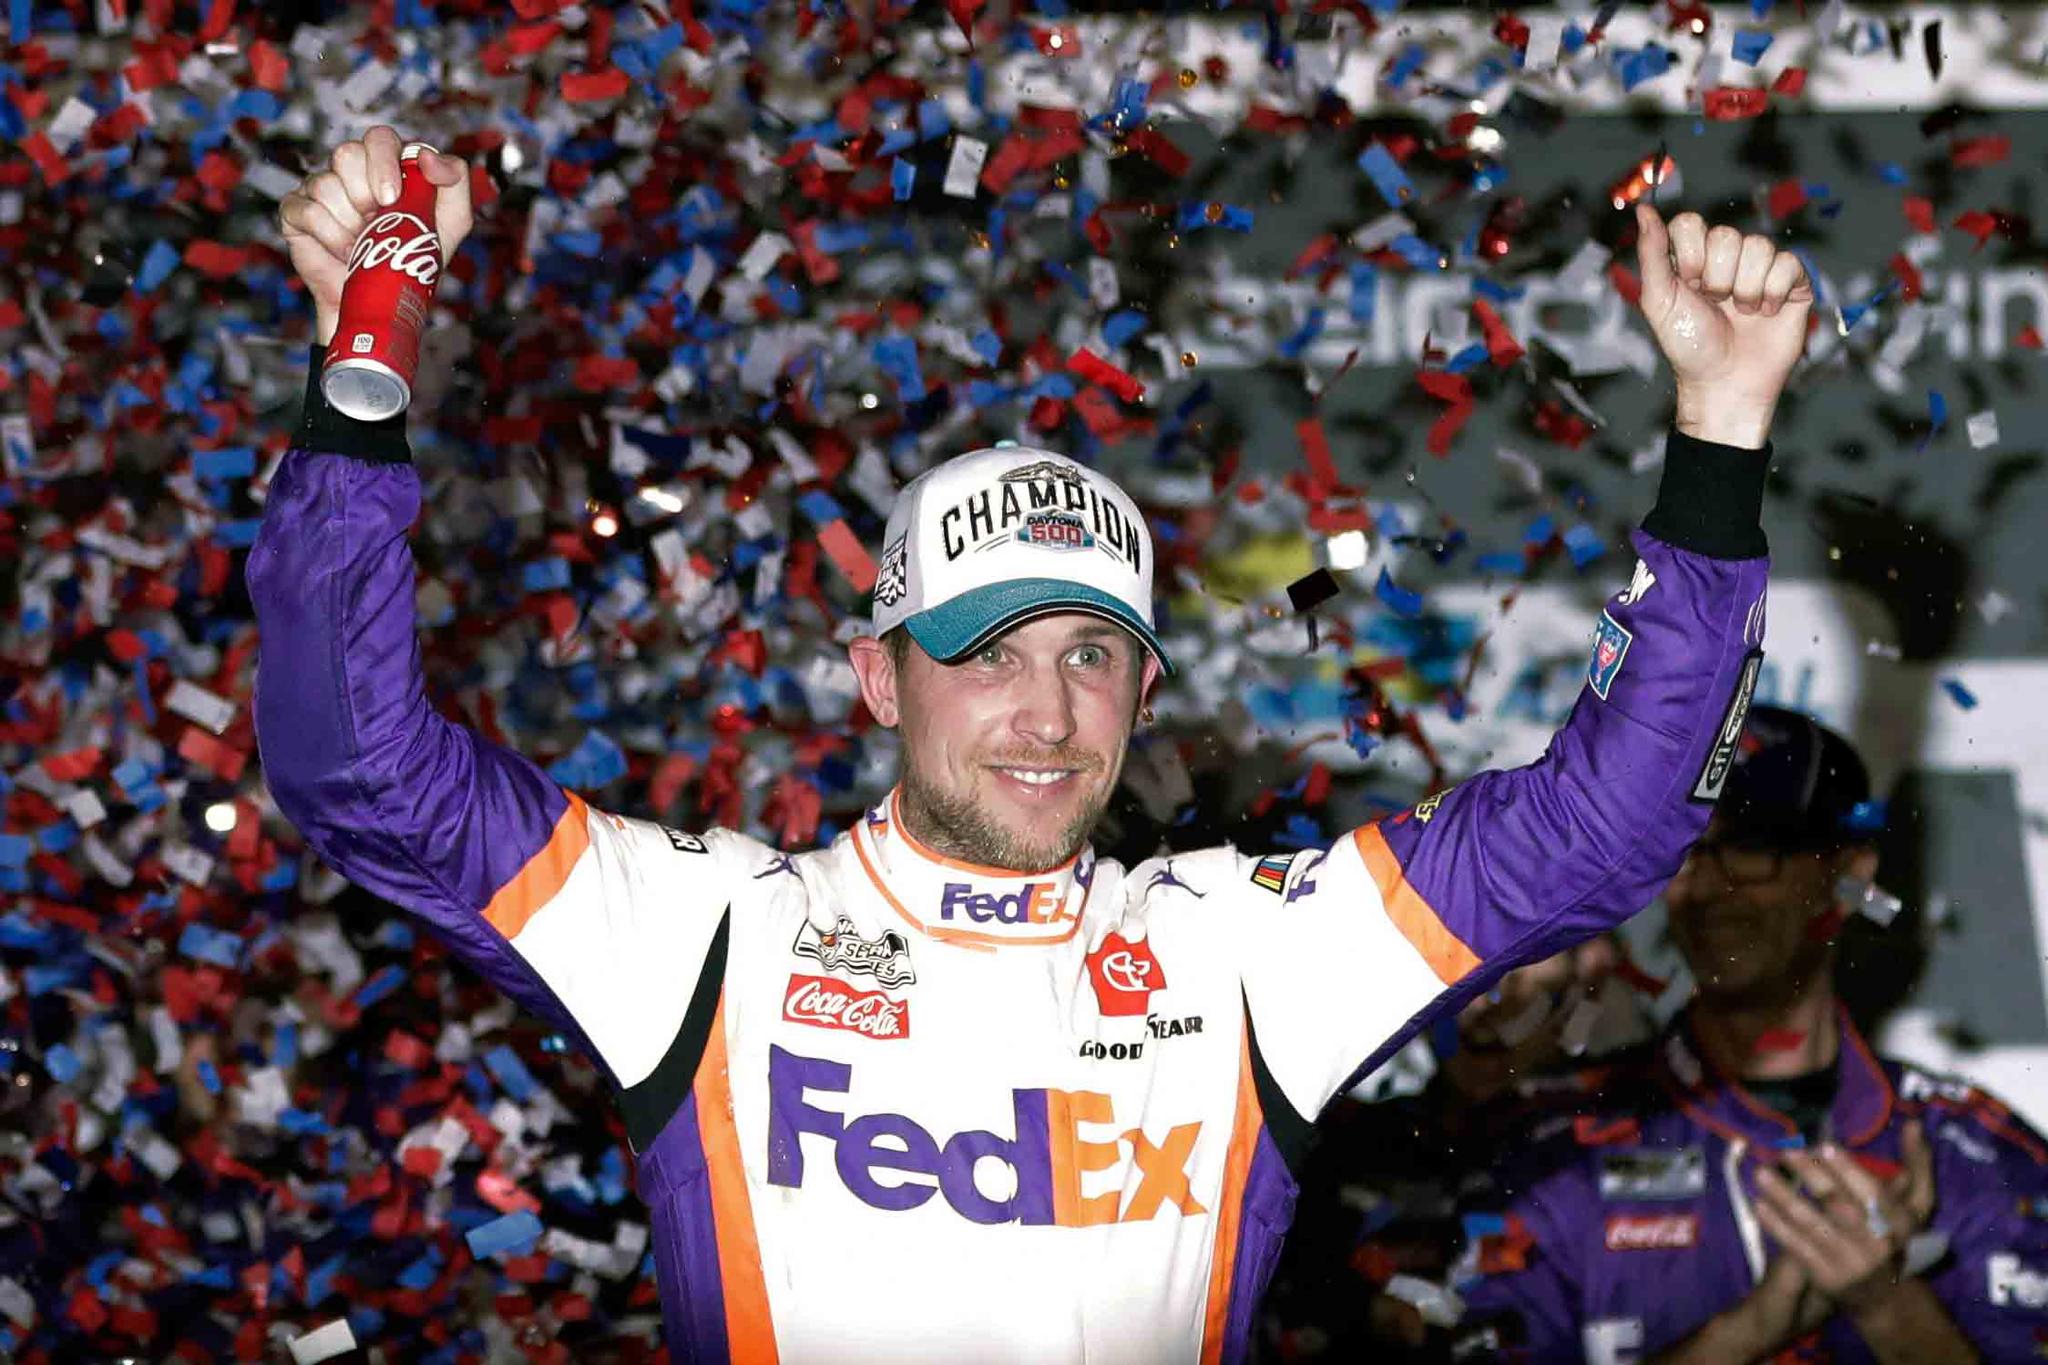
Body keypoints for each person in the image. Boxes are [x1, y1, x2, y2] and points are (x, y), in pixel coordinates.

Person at [255, 124, 1805, 1361]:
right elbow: (357, 767)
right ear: (876, 679)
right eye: (985, 659)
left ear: (1145, 690)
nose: (1048, 716)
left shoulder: (1243, 955)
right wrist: (360, 370)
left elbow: (1612, 821)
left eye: (1089, 658)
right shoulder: (704, 929)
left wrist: (1723, 431)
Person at [1455, 706, 2048, 1363]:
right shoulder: (1554, 1151)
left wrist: (1891, 1307)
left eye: (1751, 846)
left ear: (1850, 876)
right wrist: (1756, 1325)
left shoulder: (1978, 1156)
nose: (1706, 885)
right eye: (1683, 848)